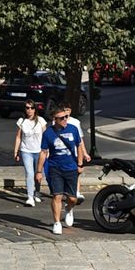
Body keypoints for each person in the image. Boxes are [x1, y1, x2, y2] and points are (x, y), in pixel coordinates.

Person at [39, 99, 90, 234]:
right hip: (55, 167)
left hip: (71, 167)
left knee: (73, 198)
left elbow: (79, 146)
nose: (65, 119)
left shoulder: (73, 129)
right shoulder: (48, 133)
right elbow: (43, 152)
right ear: (54, 119)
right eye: (62, 118)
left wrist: (80, 163)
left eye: (66, 116)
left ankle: (68, 208)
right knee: (57, 196)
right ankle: (56, 223)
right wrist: (39, 171)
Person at [15, 103, 46, 206]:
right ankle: (30, 197)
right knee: (30, 173)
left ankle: (37, 192)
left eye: (32, 108)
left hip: (39, 151)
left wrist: (47, 150)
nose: (29, 110)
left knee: (38, 173)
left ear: (35, 109)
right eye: (27, 108)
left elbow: (46, 136)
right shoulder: (22, 121)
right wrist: (16, 151)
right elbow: (19, 137)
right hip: (26, 151)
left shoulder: (41, 120)